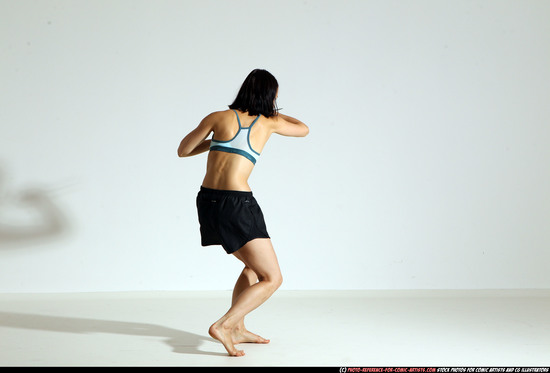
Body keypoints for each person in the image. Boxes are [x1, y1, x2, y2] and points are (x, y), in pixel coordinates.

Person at [177, 69, 309, 356]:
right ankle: (224, 325)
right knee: (272, 278)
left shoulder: (216, 118)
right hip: (238, 203)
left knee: (253, 266)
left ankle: (238, 327)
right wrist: (274, 112)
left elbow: (184, 150)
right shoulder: (269, 122)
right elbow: (303, 128)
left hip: (208, 200)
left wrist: (219, 141)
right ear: (270, 95)